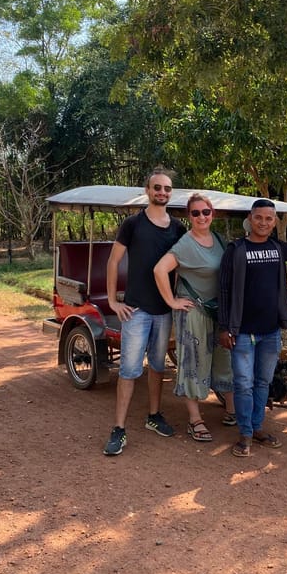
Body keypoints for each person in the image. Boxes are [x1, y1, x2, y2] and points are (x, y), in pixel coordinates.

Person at [103, 168, 187, 456]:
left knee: (158, 366)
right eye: (157, 188)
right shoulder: (132, 224)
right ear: (148, 190)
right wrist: (113, 302)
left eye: (167, 188)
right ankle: (119, 429)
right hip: (136, 310)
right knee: (128, 370)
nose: (162, 192)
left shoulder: (178, 228)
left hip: (164, 311)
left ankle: (154, 415)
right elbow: (114, 262)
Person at [218, 199, 287, 457]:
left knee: (262, 382)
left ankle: (257, 428)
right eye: (259, 217)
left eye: (269, 219)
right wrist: (224, 327)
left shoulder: (276, 247)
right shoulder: (236, 249)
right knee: (243, 383)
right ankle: (245, 434)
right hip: (243, 331)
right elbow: (224, 290)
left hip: (271, 331)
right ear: (250, 218)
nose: (264, 222)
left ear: (275, 221)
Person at [153, 193, 235, 443]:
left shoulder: (219, 240)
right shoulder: (185, 244)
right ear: (189, 216)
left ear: (213, 214)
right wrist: (171, 301)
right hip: (194, 311)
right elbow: (159, 269)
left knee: (225, 358)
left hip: (218, 310)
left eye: (206, 212)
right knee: (194, 361)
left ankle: (232, 410)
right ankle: (194, 419)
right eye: (196, 213)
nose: (202, 217)